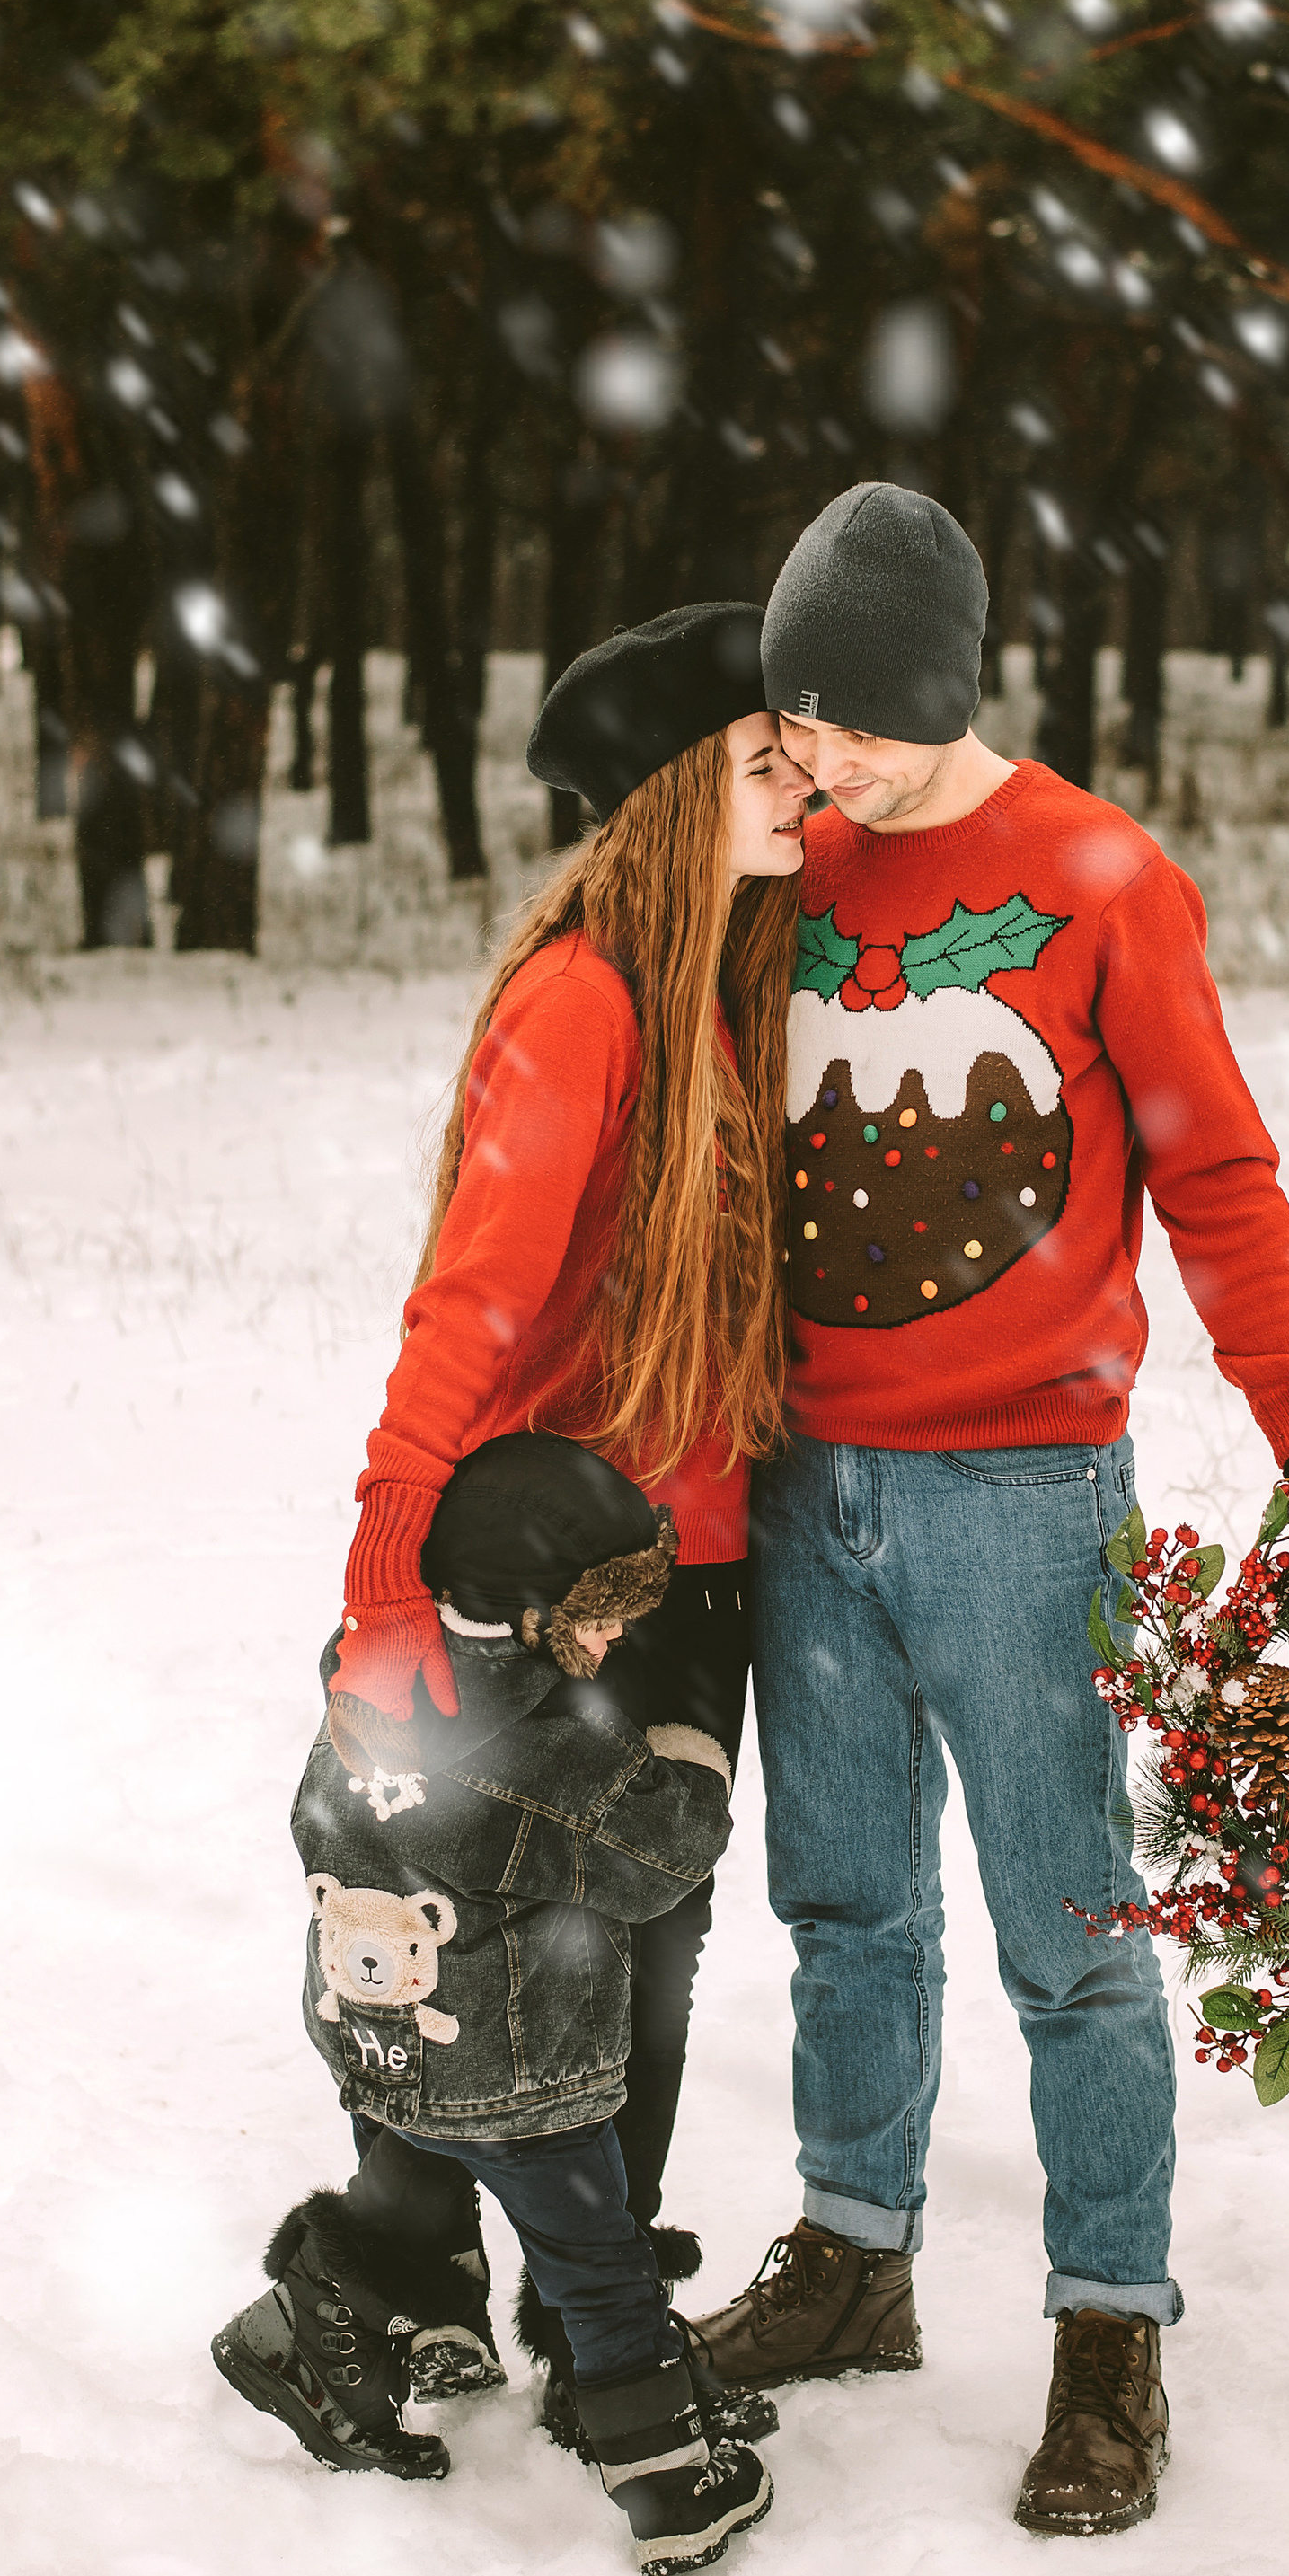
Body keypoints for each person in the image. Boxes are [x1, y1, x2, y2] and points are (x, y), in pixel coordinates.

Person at [687, 483, 1289, 2538]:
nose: (822, 768)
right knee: (843, 1908)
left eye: (853, 731)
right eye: (794, 727)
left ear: (940, 693)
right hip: (809, 1482)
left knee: (1071, 1939)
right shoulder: (787, 867)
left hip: (1023, 1500)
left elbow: (1218, 1175)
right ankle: (851, 2246)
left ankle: (1104, 2325)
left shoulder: (1093, 877)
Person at [314, 602, 811, 2418]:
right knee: (547, 1957)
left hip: (686, 1566)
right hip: (563, 1587)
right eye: (762, 763)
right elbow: (469, 1305)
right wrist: (385, 1579)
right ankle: (512, 2308)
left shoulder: (718, 988)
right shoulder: (587, 1000)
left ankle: (503, 2281)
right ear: (677, 793)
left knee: (637, 1953)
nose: (799, 789)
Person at [211, 1434, 774, 2576]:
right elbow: (664, 1855)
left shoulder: (364, 1687)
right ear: (533, 1613)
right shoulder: (544, 1750)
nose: (618, 1641)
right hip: (523, 2080)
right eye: (602, 1617)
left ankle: (303, 2334)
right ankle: (674, 2483)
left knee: (404, 2192)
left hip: (380, 2048)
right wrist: (688, 1750)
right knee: (595, 2258)